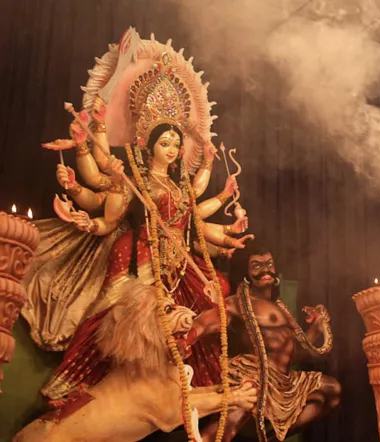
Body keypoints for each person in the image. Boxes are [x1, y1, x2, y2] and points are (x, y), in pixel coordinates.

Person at [23, 33, 253, 406]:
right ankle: (70, 386)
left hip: (179, 261)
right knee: (110, 317)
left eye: (176, 144)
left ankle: (192, 390)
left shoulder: (180, 187)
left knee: (214, 300)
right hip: (139, 256)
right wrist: (85, 188)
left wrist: (225, 210)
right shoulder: (137, 180)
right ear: (150, 145)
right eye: (165, 143)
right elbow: (109, 208)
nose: (173, 149)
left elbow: (195, 217)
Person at [181, 244, 341, 441]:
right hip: (255, 375)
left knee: (331, 390)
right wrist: (187, 337)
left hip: (285, 382)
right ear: (246, 274)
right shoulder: (238, 302)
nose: (265, 269)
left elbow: (294, 355)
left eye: (269, 264)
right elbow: (208, 322)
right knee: (231, 421)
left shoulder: (280, 306)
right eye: (256, 265)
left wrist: (316, 328)